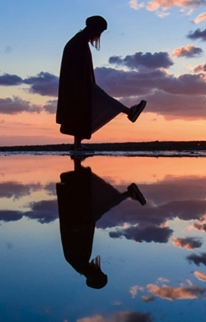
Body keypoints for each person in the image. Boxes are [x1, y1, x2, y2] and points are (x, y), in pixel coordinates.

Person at [56, 16, 147, 151]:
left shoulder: (79, 41)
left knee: (82, 114)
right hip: (79, 86)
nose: (99, 36)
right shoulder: (79, 43)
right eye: (100, 32)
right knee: (99, 103)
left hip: (79, 85)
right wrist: (81, 87)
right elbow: (76, 69)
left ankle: (77, 145)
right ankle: (130, 112)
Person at [56, 157, 147, 289]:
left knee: (99, 199)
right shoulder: (80, 264)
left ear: (95, 275)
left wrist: (85, 220)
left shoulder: (79, 261)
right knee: (101, 202)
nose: (99, 268)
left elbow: (74, 234)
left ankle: (129, 193)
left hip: (78, 217)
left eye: (100, 272)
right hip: (78, 218)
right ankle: (128, 193)